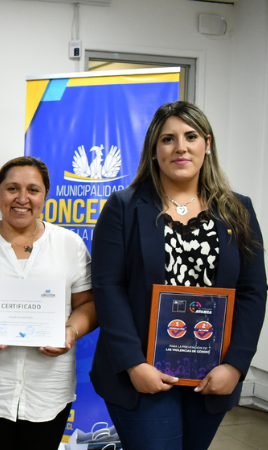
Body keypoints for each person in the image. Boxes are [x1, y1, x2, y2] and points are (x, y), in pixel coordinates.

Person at [91, 101, 267, 450]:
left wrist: (235, 365)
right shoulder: (123, 207)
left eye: (190, 136)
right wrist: (134, 364)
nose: (180, 147)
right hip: (141, 374)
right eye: (168, 139)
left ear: (207, 144)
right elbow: (108, 288)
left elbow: (252, 291)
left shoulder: (238, 209)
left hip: (212, 373)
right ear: (154, 150)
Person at [0, 156, 96, 449]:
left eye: (33, 190)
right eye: (12, 188)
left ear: (45, 195)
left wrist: (70, 332)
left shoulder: (69, 245)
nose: (22, 198)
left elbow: (88, 306)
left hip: (49, 389)